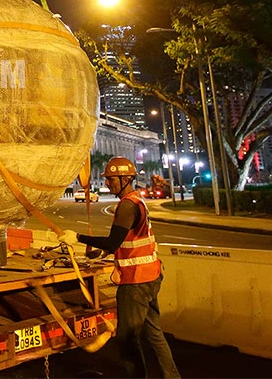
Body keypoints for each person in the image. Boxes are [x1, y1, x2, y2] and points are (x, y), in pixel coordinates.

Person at [60, 156, 180, 378]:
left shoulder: (127, 206)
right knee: (154, 334)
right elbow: (125, 241)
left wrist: (76, 237)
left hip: (136, 282)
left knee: (126, 339)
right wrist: (103, 251)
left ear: (126, 179)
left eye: (112, 179)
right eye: (107, 179)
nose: (107, 183)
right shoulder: (137, 200)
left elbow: (113, 241)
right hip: (151, 275)